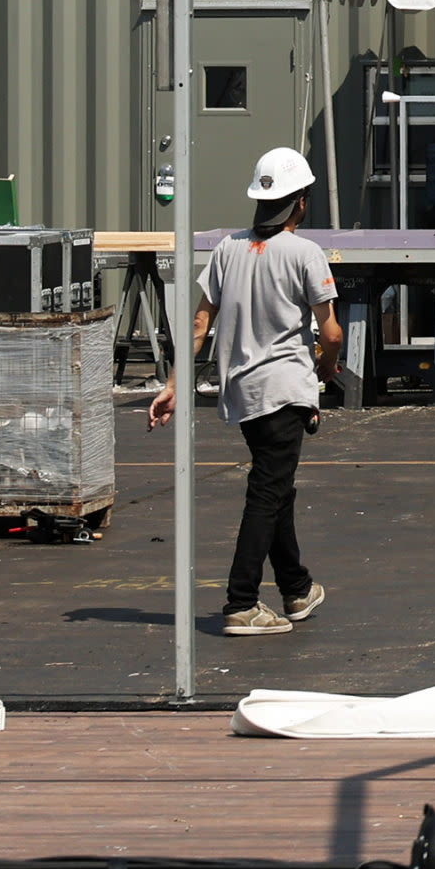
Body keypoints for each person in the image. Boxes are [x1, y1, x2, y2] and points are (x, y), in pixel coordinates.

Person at [158, 147, 342, 640]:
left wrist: (175, 384)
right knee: (267, 491)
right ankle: (241, 601)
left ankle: (297, 588)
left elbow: (199, 322)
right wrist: (326, 368)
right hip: (285, 388)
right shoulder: (304, 253)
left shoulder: (226, 249)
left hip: (242, 393)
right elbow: (333, 332)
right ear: (300, 202)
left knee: (275, 486)